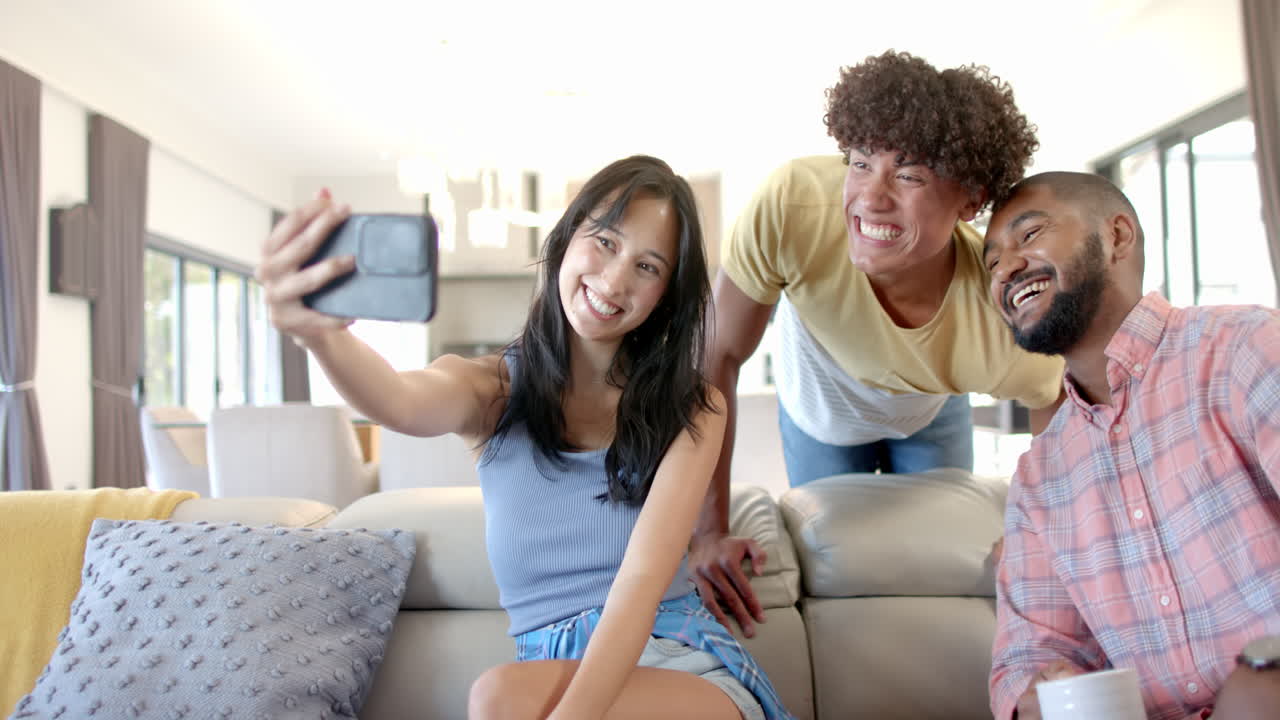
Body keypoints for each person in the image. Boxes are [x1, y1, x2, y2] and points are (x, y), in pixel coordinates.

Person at [257, 156, 793, 720]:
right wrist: (321, 338)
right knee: (502, 695)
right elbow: (396, 399)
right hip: (550, 674)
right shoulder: (490, 390)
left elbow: (639, 582)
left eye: (648, 266)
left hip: (682, 664)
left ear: (666, 293)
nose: (614, 281)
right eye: (606, 242)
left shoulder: (694, 408)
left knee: (500, 697)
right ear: (567, 237)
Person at [691, 49, 1066, 637]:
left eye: (910, 174)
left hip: (928, 406)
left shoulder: (992, 322)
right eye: (860, 163)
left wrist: (1038, 534)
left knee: (939, 559)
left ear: (970, 200)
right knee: (834, 559)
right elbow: (716, 358)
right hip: (820, 409)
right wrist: (707, 529)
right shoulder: (792, 207)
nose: (870, 196)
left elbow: (1058, 408)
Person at [985, 171, 1280, 720]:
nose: (1005, 267)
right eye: (991, 261)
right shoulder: (1039, 479)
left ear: (1117, 236)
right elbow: (1029, 659)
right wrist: (1043, 693)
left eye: (1029, 235)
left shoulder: (1246, 350)